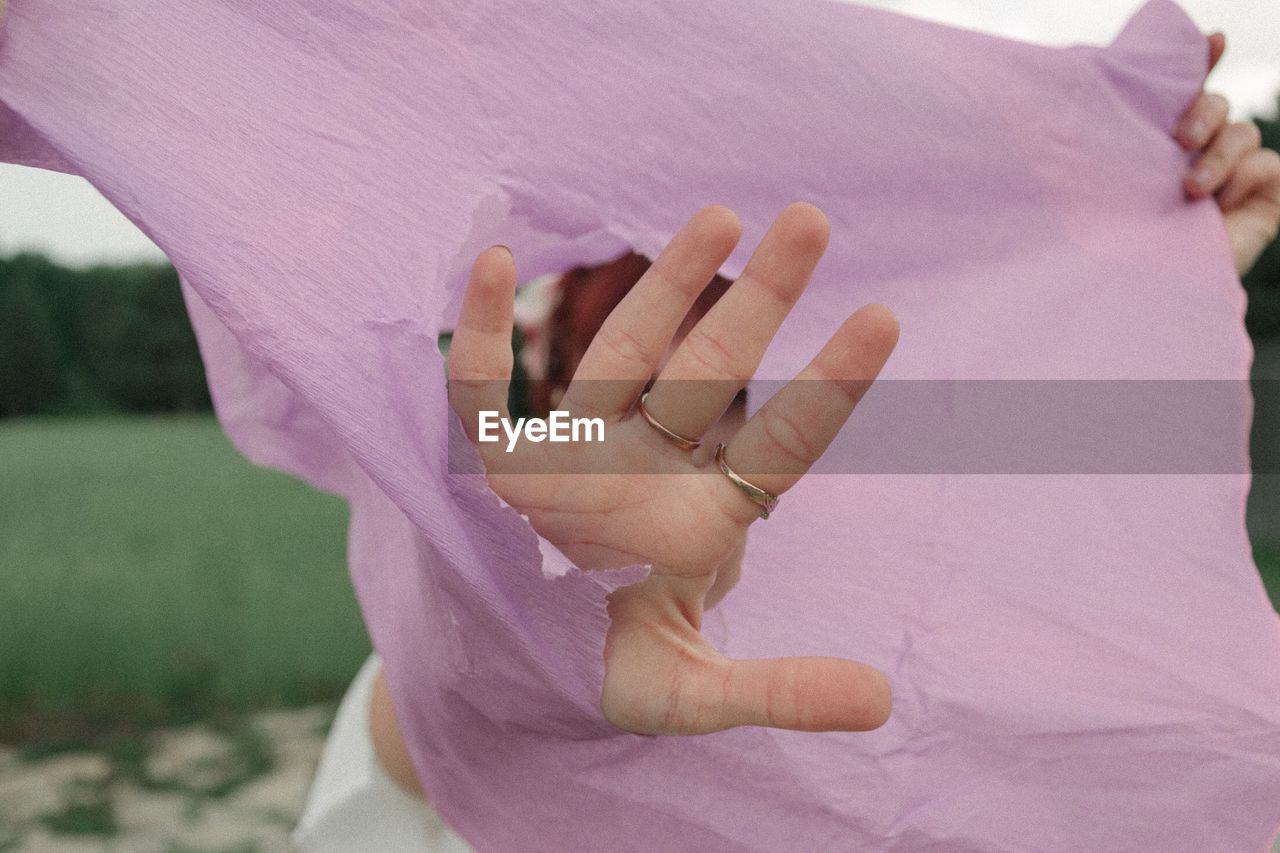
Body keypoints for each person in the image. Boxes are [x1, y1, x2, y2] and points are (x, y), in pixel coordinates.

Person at [291, 32, 1280, 849]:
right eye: (630, 391)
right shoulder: (455, 664)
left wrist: (1161, 272)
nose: (685, 443)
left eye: (737, 396)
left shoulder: (917, 624)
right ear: (550, 386)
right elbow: (434, 713)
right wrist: (544, 650)